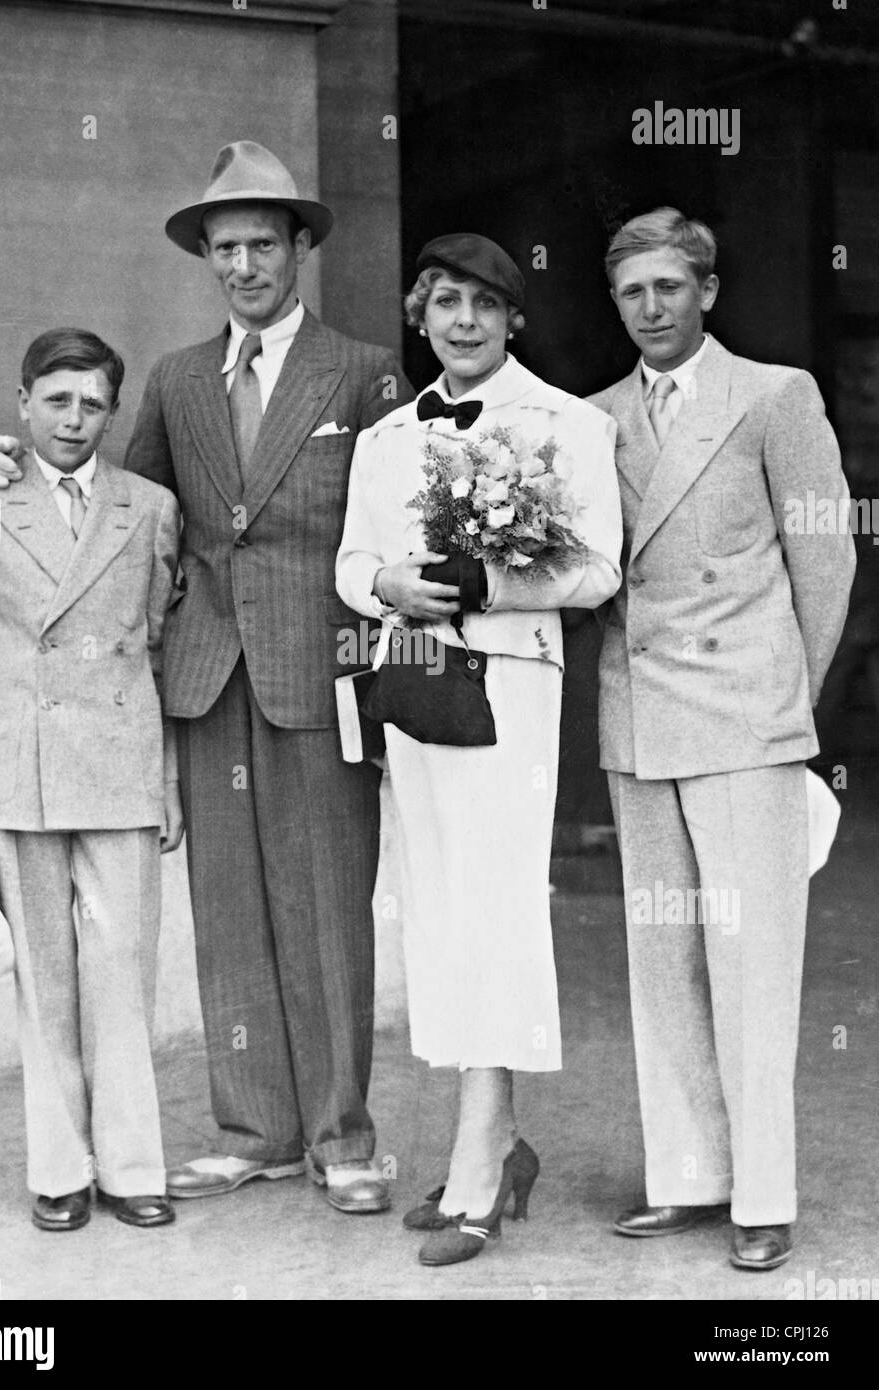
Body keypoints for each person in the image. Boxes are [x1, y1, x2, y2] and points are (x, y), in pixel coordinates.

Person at [0, 143, 413, 1215]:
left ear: (299, 247)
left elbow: (402, 518)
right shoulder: (170, 379)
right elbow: (120, 513)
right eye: (226, 249)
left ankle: (343, 1136)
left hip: (323, 674)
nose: (245, 264)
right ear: (207, 260)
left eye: (263, 243)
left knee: (329, 909)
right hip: (205, 679)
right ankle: (255, 1127)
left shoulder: (364, 370)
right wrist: (5, 464)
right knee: (227, 910)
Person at [336, 234, 622, 1265]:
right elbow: (352, 558)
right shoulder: (382, 438)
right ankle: (493, 1144)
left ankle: (479, 1161)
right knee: (441, 912)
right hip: (416, 684)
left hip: (509, 686)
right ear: (420, 315)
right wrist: (388, 589)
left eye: (484, 304)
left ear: (513, 319)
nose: (463, 320)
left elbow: (594, 569)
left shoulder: (566, 423)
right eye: (444, 301)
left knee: (495, 907)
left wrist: (488, 584)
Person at [591, 208, 855, 1270]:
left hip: (744, 716)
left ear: (706, 290)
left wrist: (781, 702)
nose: (650, 308)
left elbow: (824, 560)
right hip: (637, 714)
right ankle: (689, 1175)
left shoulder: (774, 395)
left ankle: (763, 1193)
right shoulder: (594, 414)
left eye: (667, 287)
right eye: (630, 293)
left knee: (751, 960)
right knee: (662, 958)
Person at [0, 329, 182, 1232]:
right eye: (58, 400)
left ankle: (133, 1167)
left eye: (94, 403)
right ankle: (59, 1170)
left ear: (113, 412)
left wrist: (168, 782)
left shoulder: (148, 506)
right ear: (25, 401)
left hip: (119, 768)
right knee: (45, 981)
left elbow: (151, 645)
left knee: (122, 973)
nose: (75, 419)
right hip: (20, 775)